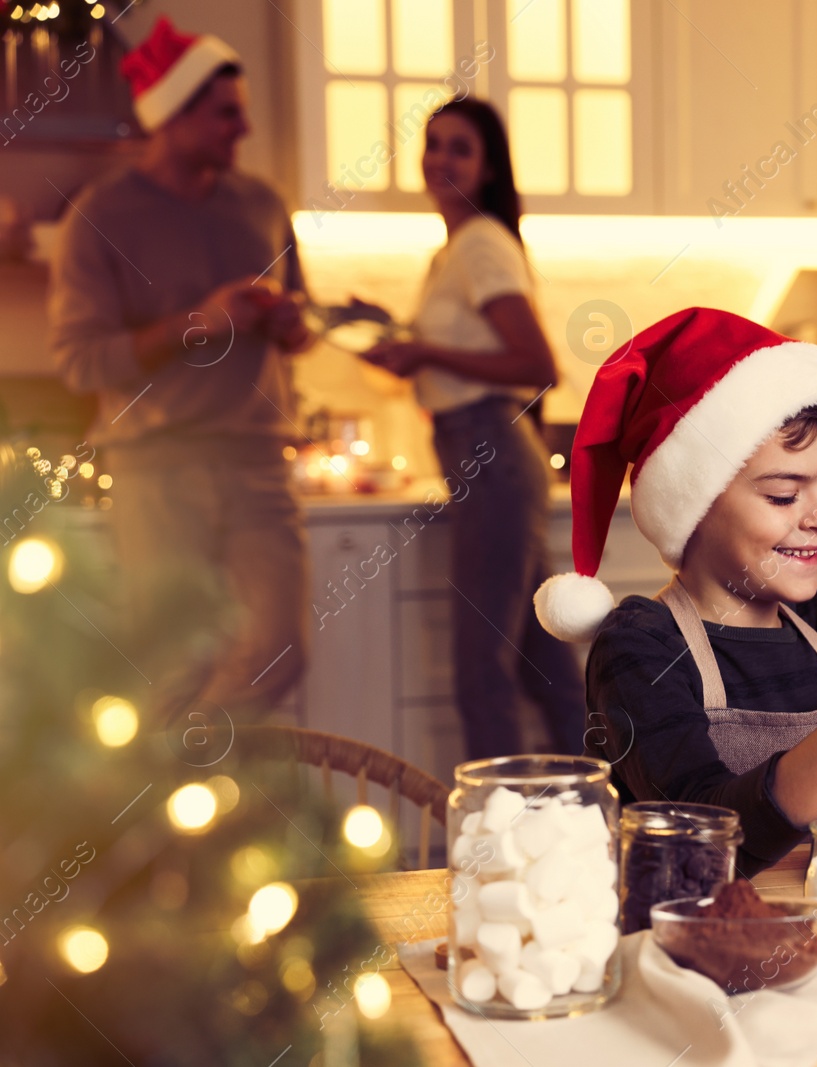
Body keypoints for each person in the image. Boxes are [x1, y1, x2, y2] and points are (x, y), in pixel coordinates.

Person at [534, 308, 817, 872]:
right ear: (693, 505)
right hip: (689, 943)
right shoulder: (641, 649)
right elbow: (707, 843)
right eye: (784, 496)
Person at [49, 17, 311, 721]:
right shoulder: (101, 217)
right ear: (173, 114)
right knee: (170, 663)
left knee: (279, 648)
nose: (244, 129)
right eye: (228, 114)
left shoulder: (261, 204)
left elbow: (301, 318)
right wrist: (201, 321)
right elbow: (78, 361)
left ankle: (198, 786)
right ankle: (177, 812)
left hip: (259, 461)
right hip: (157, 468)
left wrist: (291, 325)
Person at [361, 98, 584, 758]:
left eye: (460, 147)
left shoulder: (482, 244)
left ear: (488, 169)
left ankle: (496, 835)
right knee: (542, 665)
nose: (440, 159)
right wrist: (402, 341)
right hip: (486, 455)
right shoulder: (456, 250)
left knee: (481, 669)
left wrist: (426, 352)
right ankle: (602, 812)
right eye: (432, 144)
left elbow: (537, 364)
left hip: (492, 453)